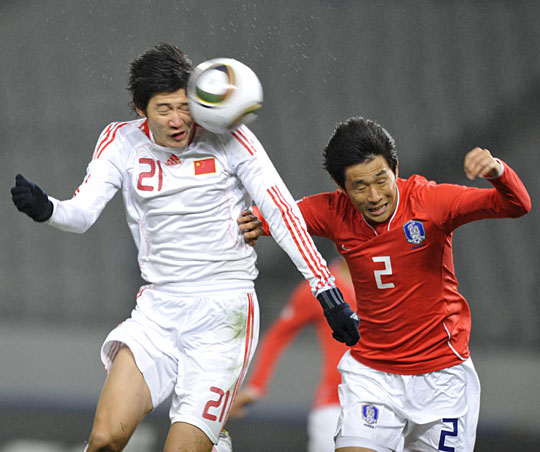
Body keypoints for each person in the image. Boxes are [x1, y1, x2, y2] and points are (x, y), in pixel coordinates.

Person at [10, 43, 359, 452]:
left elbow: (281, 212)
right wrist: (47, 209)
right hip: (158, 309)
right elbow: (83, 213)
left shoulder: (231, 138)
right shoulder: (120, 141)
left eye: (184, 107)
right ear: (140, 109)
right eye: (164, 109)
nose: (177, 120)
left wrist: (326, 291)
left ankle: (210, 437)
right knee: (104, 440)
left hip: (225, 313)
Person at [239, 116, 531, 452]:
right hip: (373, 375)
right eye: (360, 187)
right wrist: (252, 223)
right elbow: (275, 216)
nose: (375, 195)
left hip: (442, 377)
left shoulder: (430, 202)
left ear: (395, 168)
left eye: (382, 179)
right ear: (341, 187)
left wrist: (497, 172)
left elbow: (516, 204)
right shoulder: (334, 211)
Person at [229, 257, 353, 452]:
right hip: (337, 405)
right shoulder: (321, 287)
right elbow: (276, 337)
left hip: (393, 402)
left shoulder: (392, 282)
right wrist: (256, 386)